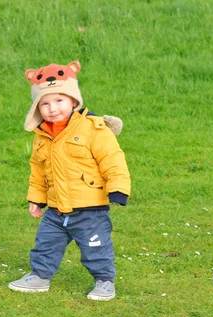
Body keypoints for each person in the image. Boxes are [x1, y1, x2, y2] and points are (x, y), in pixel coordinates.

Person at [8, 61, 131, 301]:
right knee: (45, 243)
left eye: (59, 101)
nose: (52, 108)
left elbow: (112, 159)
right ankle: (40, 276)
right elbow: (38, 171)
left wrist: (117, 189)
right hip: (56, 209)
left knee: (95, 247)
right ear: (37, 107)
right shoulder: (42, 136)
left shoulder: (93, 128)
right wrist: (36, 199)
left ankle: (104, 281)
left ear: (74, 101)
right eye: (45, 103)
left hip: (89, 209)